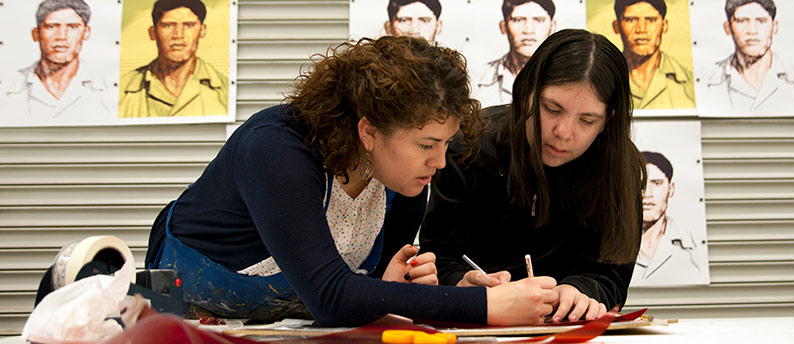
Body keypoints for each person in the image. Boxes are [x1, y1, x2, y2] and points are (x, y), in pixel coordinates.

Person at [144, 36, 559, 326]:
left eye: (446, 143)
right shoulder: (275, 151)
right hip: (181, 302)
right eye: (428, 144)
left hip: (272, 323)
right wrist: (484, 304)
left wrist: (435, 287)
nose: (440, 162)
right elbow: (332, 298)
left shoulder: (405, 180)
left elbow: (367, 293)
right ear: (368, 132)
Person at [421, 29, 645, 323]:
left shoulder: (619, 167)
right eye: (551, 109)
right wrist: (462, 284)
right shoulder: (468, 148)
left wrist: (580, 290)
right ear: (526, 91)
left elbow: (611, 274)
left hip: (565, 330)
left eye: (587, 120)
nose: (563, 133)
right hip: (476, 324)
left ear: (608, 120)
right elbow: (440, 257)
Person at [0, 0, 111, 122]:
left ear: (86, 33)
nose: (62, 36)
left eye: (73, 27)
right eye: (52, 27)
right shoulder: (7, 86)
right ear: (36, 34)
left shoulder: (108, 88)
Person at [119, 0, 228, 118]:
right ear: (153, 32)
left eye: (189, 25)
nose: (178, 35)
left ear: (202, 30)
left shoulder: (224, 90)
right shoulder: (122, 90)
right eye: (168, 25)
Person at [702, 0, 794, 113]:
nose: (752, 31)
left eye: (761, 21)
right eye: (742, 21)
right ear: (728, 28)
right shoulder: (706, 80)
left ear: (774, 27)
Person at [630, 151, 705, 285]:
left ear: (670, 189)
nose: (647, 193)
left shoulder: (690, 245)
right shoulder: (610, 241)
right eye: (639, 183)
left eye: (657, 183)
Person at [612, 0, 695, 110]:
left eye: (651, 20)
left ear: (664, 25)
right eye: (631, 20)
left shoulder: (690, 85)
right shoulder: (602, 80)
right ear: (616, 26)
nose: (641, 29)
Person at [473, 0, 556, 107]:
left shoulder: (569, 78)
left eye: (539, 20)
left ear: (553, 26)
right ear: (503, 26)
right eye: (518, 20)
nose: (529, 30)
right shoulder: (476, 79)